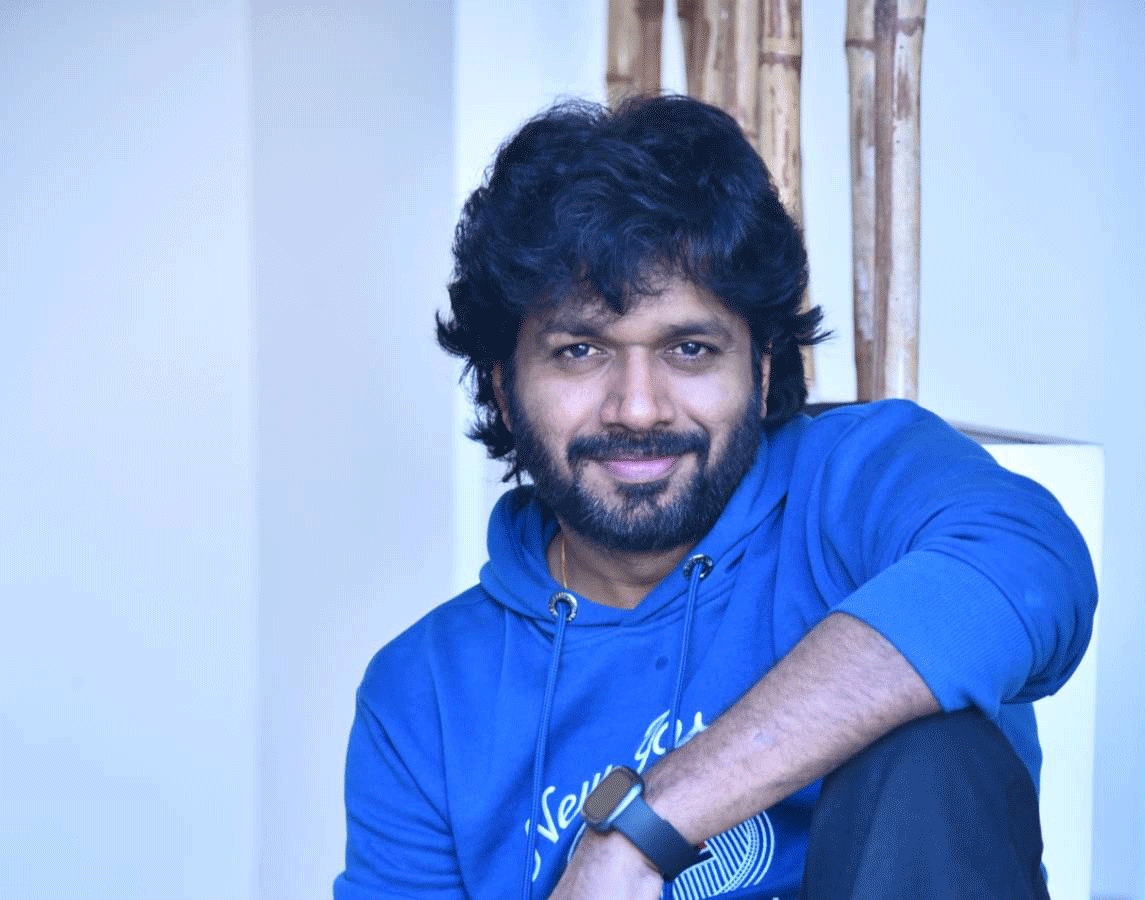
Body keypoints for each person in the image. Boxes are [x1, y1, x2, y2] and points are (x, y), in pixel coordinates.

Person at [332, 95, 1097, 900]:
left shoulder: (852, 487)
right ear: (505, 384)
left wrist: (643, 831)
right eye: (580, 349)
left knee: (929, 743)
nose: (638, 408)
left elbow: (1028, 569)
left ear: (761, 368)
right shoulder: (426, 696)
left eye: (690, 349)